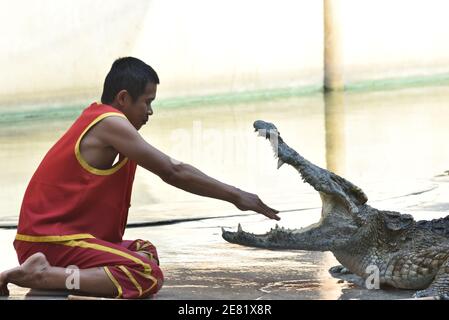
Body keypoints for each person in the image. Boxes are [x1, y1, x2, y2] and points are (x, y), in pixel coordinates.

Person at [0, 57, 280, 299]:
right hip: (50, 241)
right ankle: (45, 275)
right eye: (147, 102)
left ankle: (56, 272)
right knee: (145, 274)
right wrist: (235, 196)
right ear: (123, 98)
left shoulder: (103, 119)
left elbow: (172, 168)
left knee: (145, 251)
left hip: (57, 239)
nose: (150, 111)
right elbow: (173, 171)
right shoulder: (110, 122)